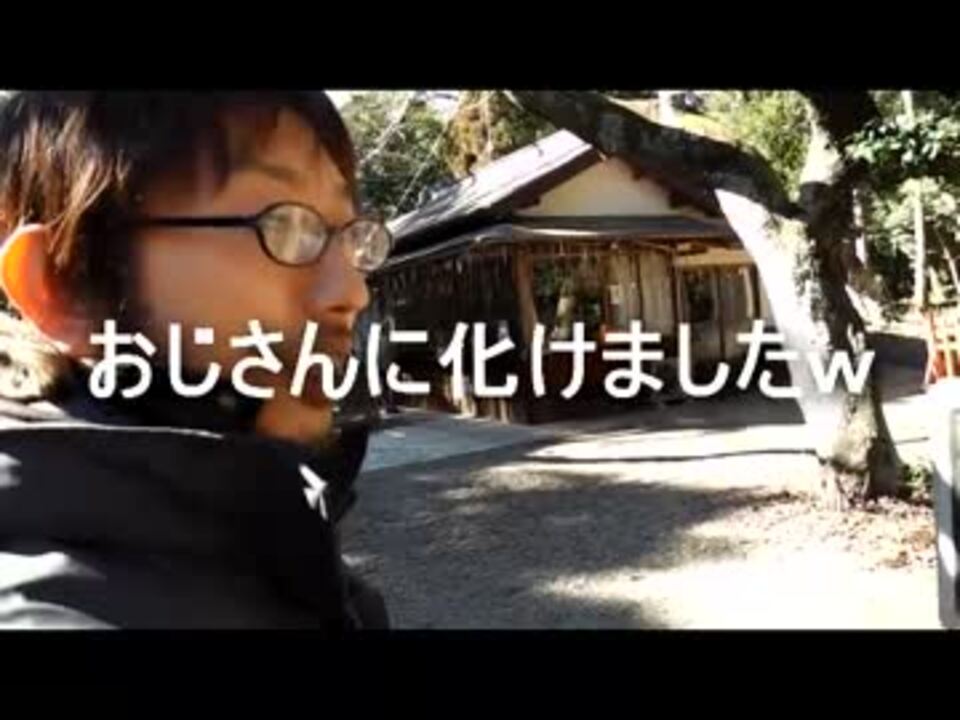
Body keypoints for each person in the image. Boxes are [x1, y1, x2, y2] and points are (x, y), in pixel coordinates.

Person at [0, 91, 390, 629]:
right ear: (62, 285)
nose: (352, 292)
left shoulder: (266, 533)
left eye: (348, 237)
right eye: (284, 226)